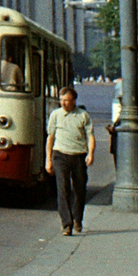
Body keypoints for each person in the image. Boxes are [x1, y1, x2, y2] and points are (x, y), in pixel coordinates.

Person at [45, 85, 95, 235]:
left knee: (80, 190)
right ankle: (66, 224)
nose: (64, 103)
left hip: (78, 155)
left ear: (74, 100)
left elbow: (90, 136)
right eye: (62, 100)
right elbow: (51, 137)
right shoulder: (55, 115)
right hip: (60, 155)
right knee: (63, 189)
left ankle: (77, 219)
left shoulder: (83, 115)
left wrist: (90, 154)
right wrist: (48, 159)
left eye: (67, 100)